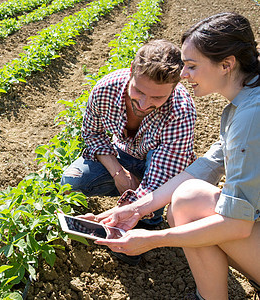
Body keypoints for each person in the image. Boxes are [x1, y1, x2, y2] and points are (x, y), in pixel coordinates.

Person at [83, 12, 260, 300]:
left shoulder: (251, 116)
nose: (184, 75)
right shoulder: (244, 105)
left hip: (247, 228)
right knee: (187, 199)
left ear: (227, 64)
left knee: (188, 202)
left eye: (191, 66)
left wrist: (152, 239)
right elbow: (207, 166)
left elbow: (237, 224)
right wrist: (134, 210)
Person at [61, 40, 197, 253]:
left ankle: (149, 221)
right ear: (132, 71)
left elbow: (161, 178)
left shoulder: (180, 111)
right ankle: (134, 210)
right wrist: (118, 172)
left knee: (157, 187)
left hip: (159, 168)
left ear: (176, 84)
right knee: (72, 181)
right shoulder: (106, 89)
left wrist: (119, 213)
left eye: (157, 97)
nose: (143, 104)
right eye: (139, 91)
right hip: (123, 154)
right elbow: (92, 133)